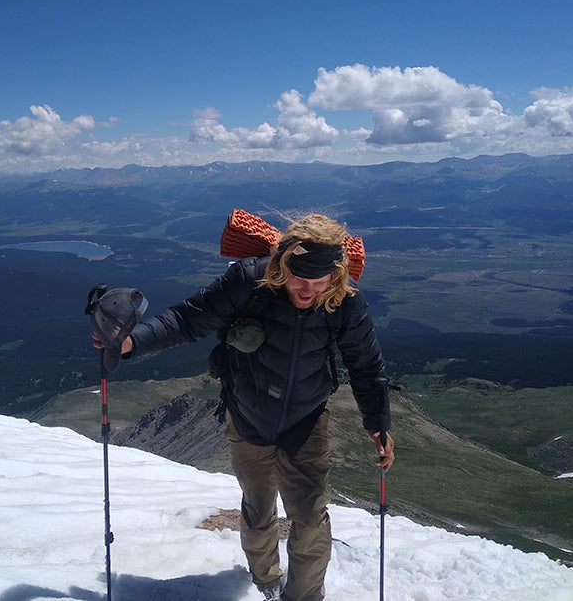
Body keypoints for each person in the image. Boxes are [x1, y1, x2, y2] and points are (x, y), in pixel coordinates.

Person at [98, 213, 393, 601]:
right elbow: (188, 319)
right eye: (299, 280)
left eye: (319, 284)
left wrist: (378, 423)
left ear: (335, 277)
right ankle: (265, 577)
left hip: (305, 421)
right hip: (248, 416)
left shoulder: (345, 300)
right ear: (282, 265)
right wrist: (131, 342)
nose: (307, 292)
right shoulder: (248, 281)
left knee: (309, 516)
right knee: (257, 507)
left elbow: (366, 365)